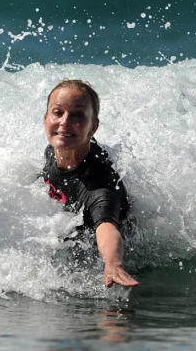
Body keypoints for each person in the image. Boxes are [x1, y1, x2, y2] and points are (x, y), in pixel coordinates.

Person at [41, 79, 138, 288]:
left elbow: (106, 225)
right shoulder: (57, 146)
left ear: (93, 127)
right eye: (57, 112)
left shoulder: (101, 184)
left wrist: (113, 263)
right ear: (45, 119)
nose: (64, 122)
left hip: (111, 247)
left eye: (77, 116)